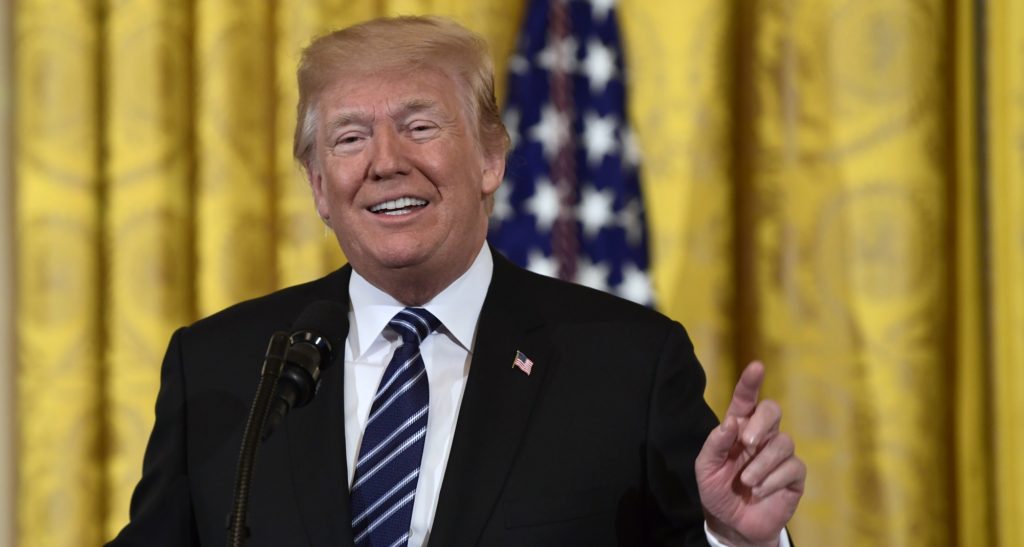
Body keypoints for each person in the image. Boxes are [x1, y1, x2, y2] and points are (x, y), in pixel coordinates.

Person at [108, 15, 804, 547]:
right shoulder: (222, 368)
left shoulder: (629, 365)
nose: (385, 163)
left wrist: (737, 540)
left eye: (420, 125)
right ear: (320, 186)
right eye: (350, 138)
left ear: (491, 160)